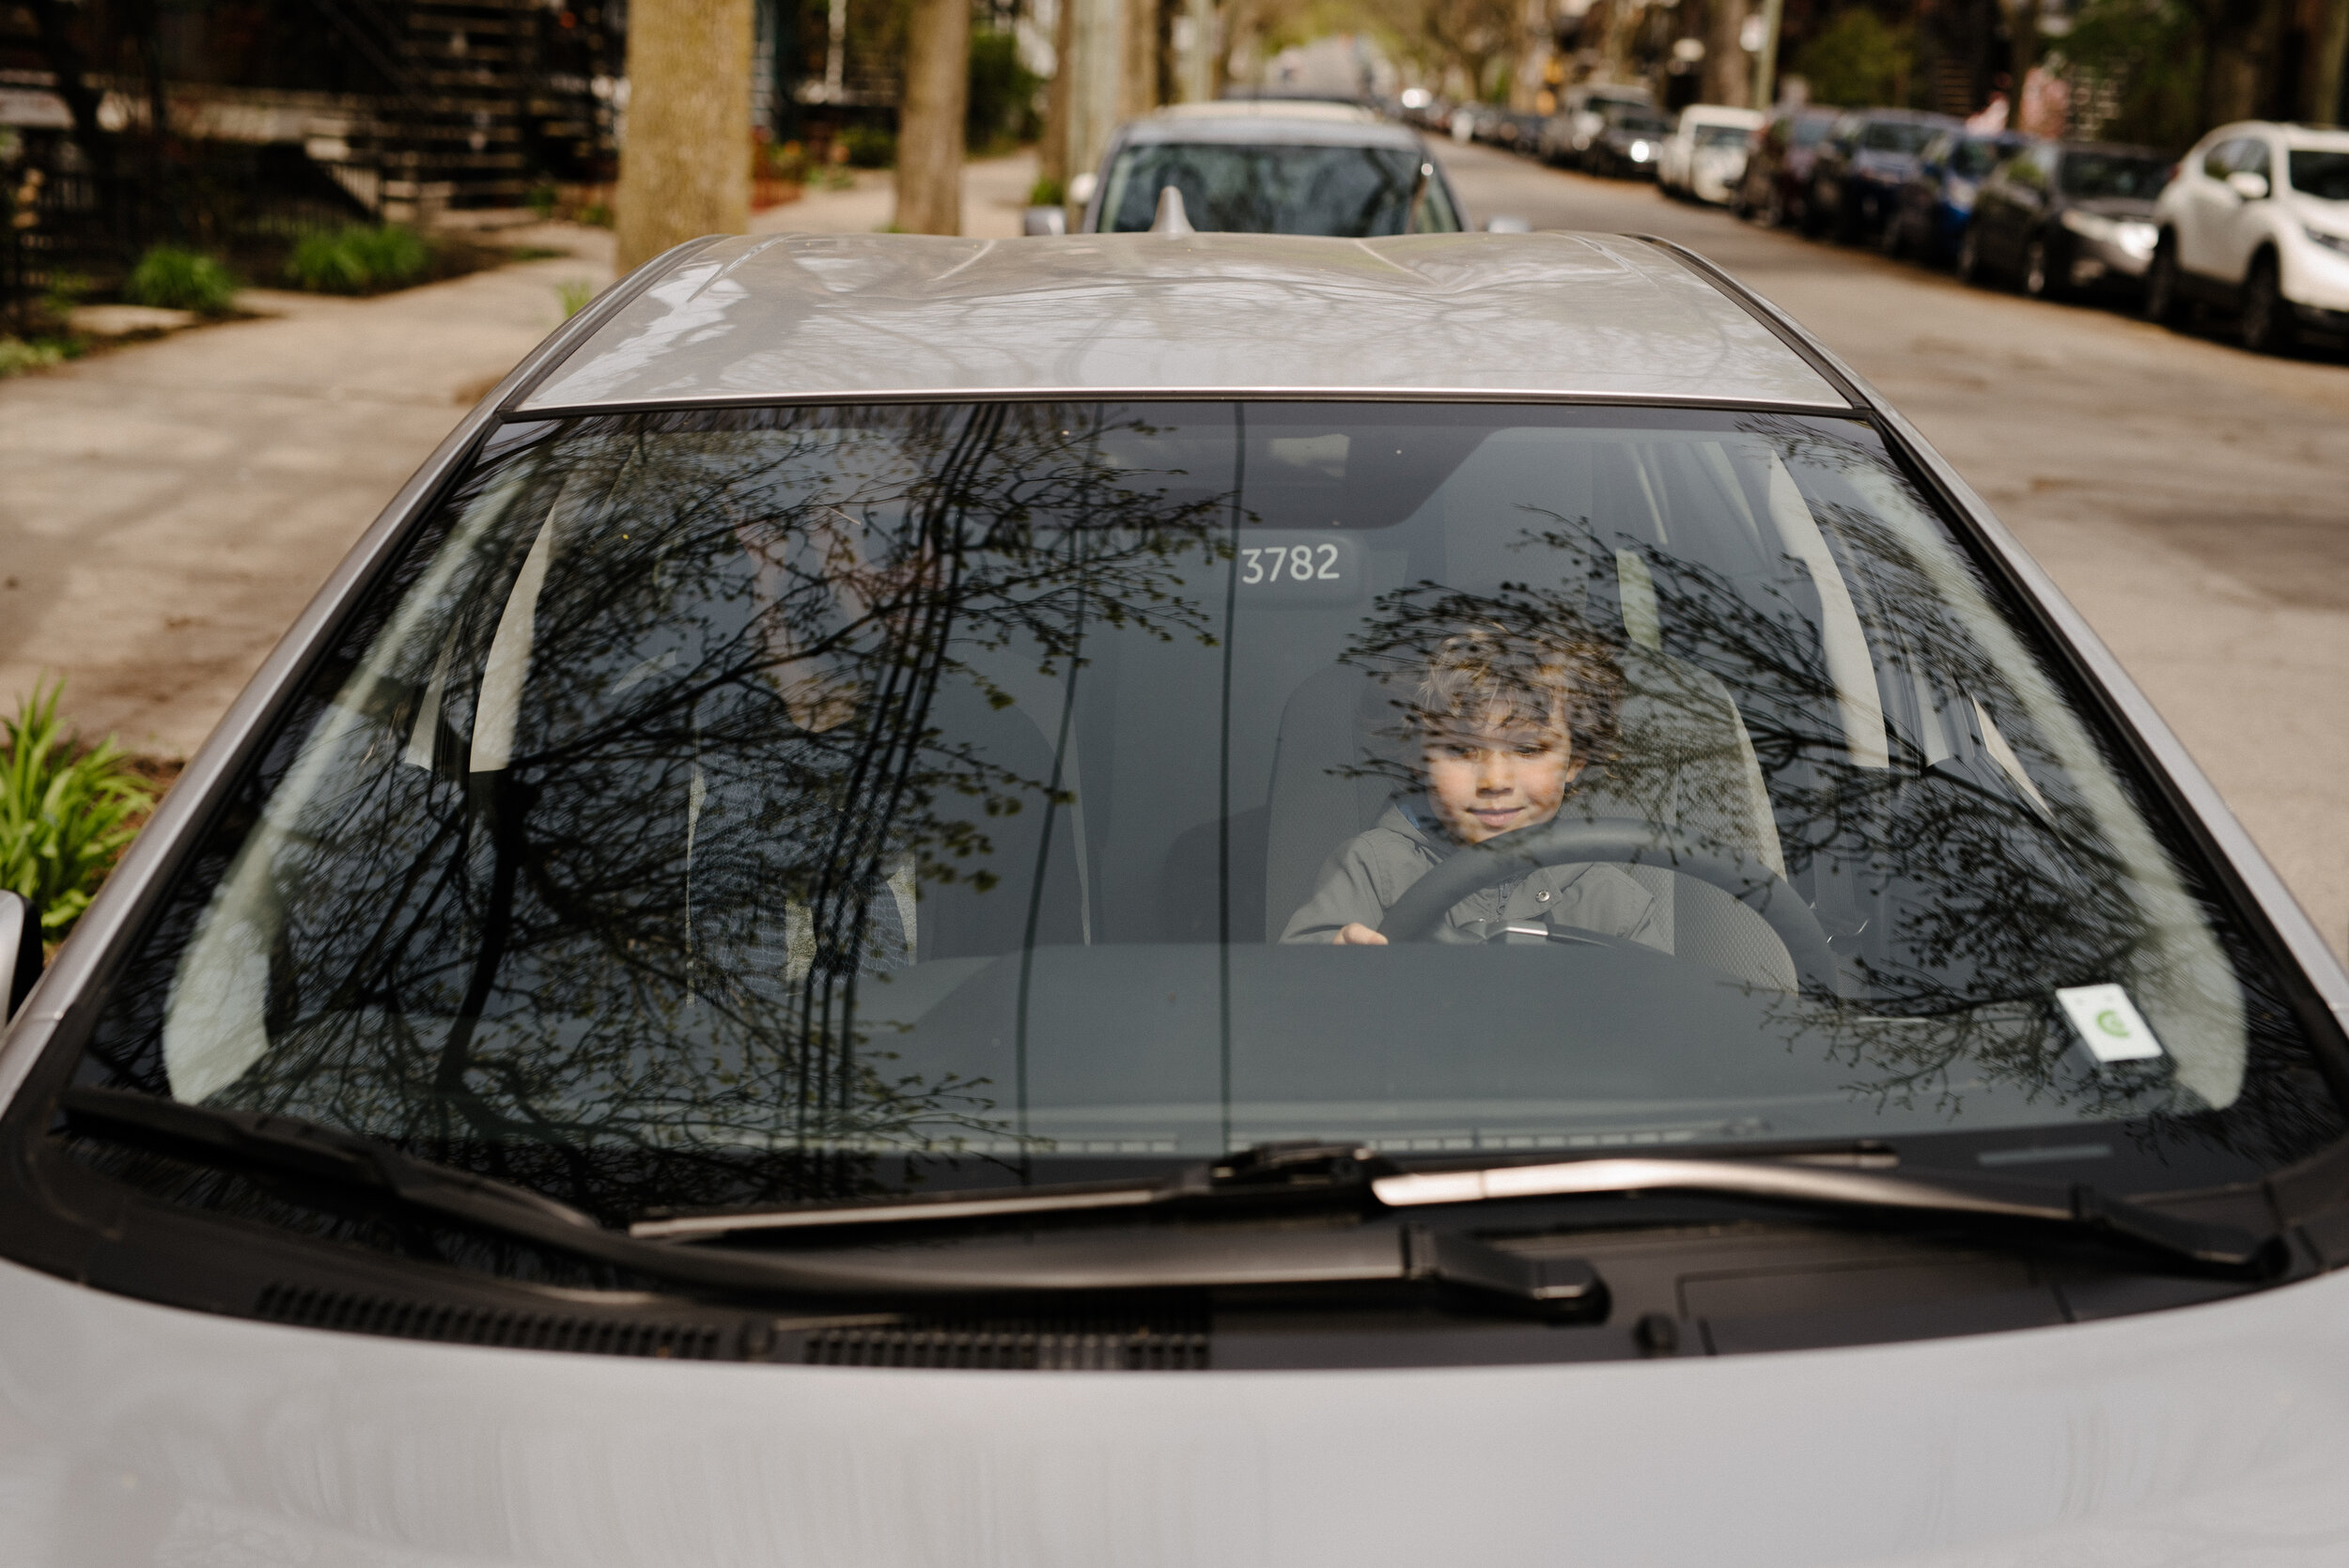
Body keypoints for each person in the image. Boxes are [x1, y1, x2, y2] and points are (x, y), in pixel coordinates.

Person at [1280, 623, 1668, 950]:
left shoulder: (1613, 903)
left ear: (1576, 761)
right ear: (1417, 756)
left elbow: (1658, 1024)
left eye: (1529, 748)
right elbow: (1291, 998)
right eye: (1462, 749)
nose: (1494, 781)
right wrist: (1332, 966)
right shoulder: (1373, 869)